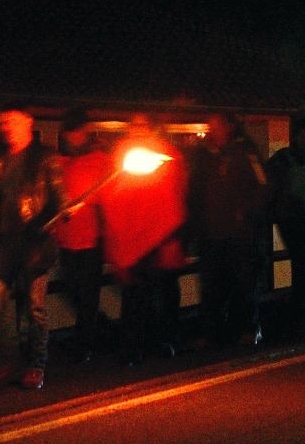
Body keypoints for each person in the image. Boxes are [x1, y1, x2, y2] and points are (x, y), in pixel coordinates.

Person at [0, 103, 65, 390]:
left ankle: (36, 364)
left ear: (28, 122)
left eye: (13, 121)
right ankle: (5, 359)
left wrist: (41, 226)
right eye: (3, 123)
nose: (7, 128)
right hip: (8, 243)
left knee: (35, 307)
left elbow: (60, 200)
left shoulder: (45, 158)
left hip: (37, 242)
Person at [100, 115, 187, 365]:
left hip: (160, 238)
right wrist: (118, 243)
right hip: (131, 240)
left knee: (163, 294)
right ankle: (132, 348)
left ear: (151, 128)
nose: (138, 130)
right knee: (134, 297)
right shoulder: (120, 158)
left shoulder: (165, 155)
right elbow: (112, 199)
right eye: (134, 125)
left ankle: (166, 341)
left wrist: (170, 235)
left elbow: (174, 196)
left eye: (143, 125)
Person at [186, 113, 272, 348]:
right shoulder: (204, 154)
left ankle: (248, 327)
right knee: (212, 285)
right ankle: (212, 331)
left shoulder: (246, 151)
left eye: (218, 126)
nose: (214, 131)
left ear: (230, 126)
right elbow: (195, 189)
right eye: (211, 126)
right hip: (212, 232)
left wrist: (246, 209)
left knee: (244, 283)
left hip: (240, 233)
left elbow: (263, 186)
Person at [52, 109, 112, 361]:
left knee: (88, 293)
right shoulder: (58, 162)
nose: (76, 137)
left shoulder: (100, 159)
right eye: (72, 133)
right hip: (66, 239)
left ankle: (85, 343)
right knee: (72, 288)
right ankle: (99, 330)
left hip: (90, 239)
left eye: (80, 131)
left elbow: (109, 195)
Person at [267, 114, 305, 335]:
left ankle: (304, 306)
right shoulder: (283, 159)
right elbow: (269, 182)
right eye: (300, 134)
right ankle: (304, 306)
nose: (304, 138)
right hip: (290, 217)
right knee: (299, 260)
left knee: (303, 260)